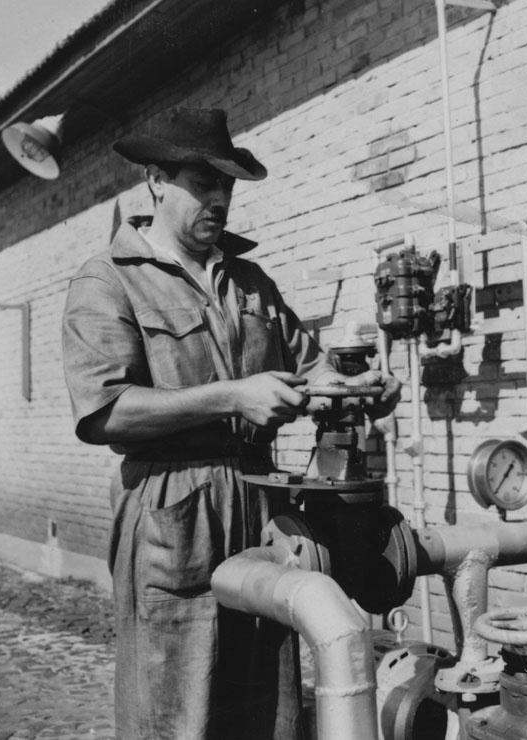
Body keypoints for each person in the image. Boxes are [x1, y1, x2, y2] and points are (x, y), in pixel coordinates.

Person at [61, 107, 400, 740]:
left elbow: (316, 372)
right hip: (171, 509)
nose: (219, 199)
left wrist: (362, 387)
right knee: (176, 705)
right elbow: (104, 412)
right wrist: (232, 397)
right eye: (203, 183)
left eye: (227, 186)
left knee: (265, 702)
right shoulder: (109, 280)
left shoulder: (250, 282)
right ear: (156, 180)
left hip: (262, 504)